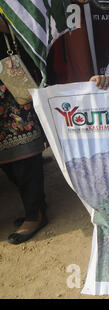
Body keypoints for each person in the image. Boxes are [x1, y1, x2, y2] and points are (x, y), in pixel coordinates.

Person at [0, 18, 48, 245]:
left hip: (10, 78)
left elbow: (31, 23)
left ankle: (35, 213)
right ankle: (35, 205)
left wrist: (7, 24)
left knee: (23, 150)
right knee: (6, 159)